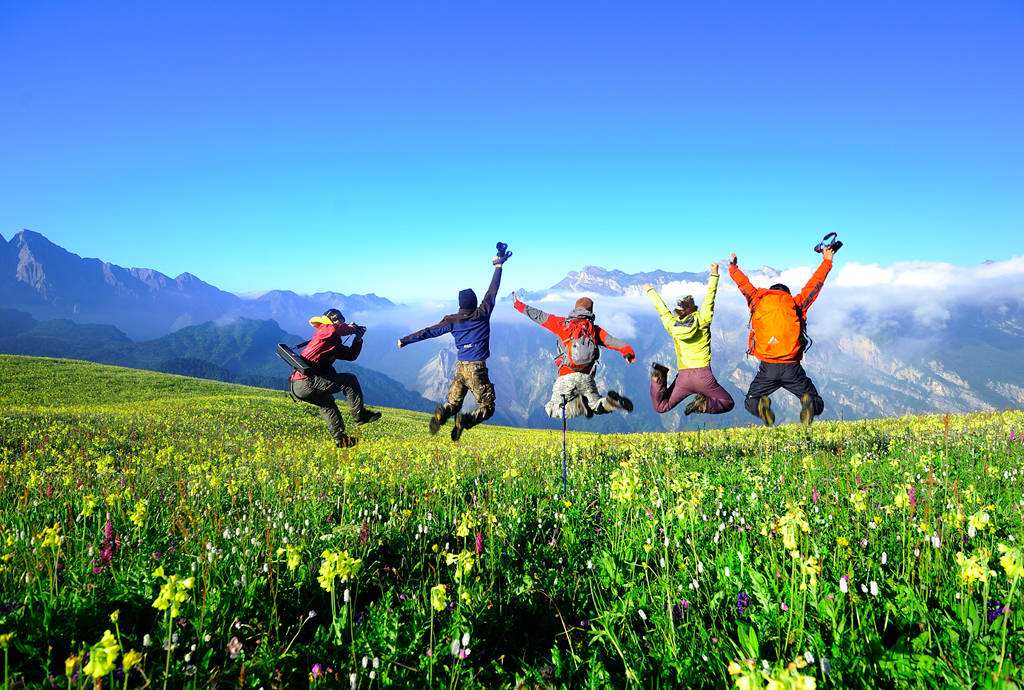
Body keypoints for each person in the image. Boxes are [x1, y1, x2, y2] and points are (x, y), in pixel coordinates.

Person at [398, 245, 511, 441]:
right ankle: (464, 421)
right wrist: (498, 267)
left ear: (460, 304)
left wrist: (405, 340)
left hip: (460, 369)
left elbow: (429, 332)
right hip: (477, 369)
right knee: (487, 407)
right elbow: (492, 291)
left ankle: (442, 414)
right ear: (474, 302)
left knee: (453, 404)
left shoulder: (452, 320)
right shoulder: (482, 313)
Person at [728, 246, 837, 426]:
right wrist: (827, 261)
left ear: (771, 292)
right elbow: (815, 284)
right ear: (786, 293)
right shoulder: (796, 304)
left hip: (767, 368)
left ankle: (761, 406)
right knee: (816, 401)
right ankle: (808, 404)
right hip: (792, 368)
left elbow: (743, 285)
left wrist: (733, 268)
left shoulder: (758, 299)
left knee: (750, 401)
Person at [511, 293, 636, 419]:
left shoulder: (562, 324)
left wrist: (518, 304)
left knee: (553, 410)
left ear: (575, 309)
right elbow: (613, 342)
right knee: (596, 406)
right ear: (591, 311)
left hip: (566, 377)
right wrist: (628, 352)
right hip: (587, 378)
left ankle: (580, 406)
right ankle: (609, 403)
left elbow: (538, 315)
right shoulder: (594, 330)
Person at [643, 262, 734, 416]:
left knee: (661, 406)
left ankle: (658, 377)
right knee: (727, 403)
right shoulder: (703, 318)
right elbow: (710, 298)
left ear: (678, 313)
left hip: (683, 378)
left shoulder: (673, 325)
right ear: (694, 309)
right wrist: (714, 274)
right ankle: (703, 405)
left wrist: (650, 290)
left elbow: (663, 311)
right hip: (704, 377)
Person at [289, 308, 382, 448]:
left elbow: (350, 355)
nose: (340, 322)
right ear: (330, 320)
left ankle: (341, 439)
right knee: (349, 380)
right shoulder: (324, 330)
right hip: (306, 381)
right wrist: (351, 328)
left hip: (299, 386)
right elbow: (333, 330)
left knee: (328, 404)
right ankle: (360, 416)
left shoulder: (332, 342)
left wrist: (357, 339)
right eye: (338, 320)